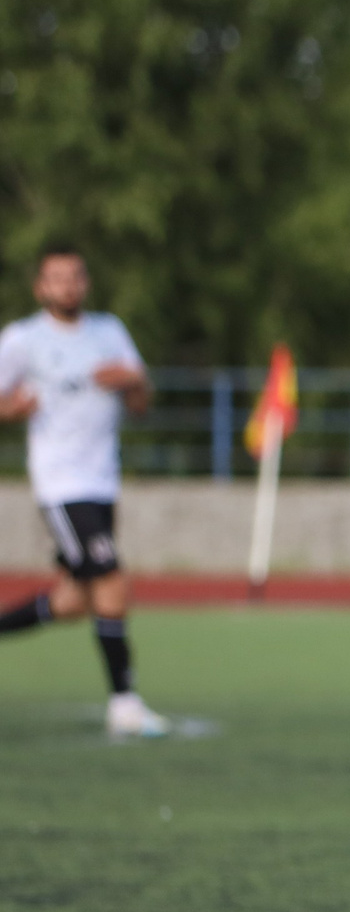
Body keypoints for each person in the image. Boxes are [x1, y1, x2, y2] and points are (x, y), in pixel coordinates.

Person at [0, 248, 169, 740]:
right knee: (113, 583)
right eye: (56, 279)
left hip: (102, 480)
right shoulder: (22, 339)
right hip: (61, 481)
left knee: (76, 601)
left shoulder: (109, 332)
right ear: (41, 288)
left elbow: (140, 403)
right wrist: (14, 410)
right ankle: (125, 703)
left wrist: (135, 380)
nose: (67, 286)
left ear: (86, 283)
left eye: (75, 276)